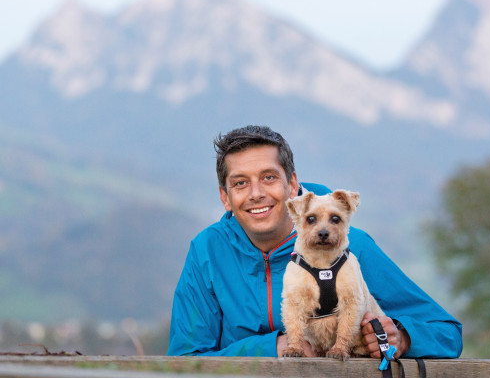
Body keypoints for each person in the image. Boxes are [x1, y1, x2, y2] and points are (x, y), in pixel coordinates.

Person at [167, 125, 462, 358]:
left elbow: (447, 334)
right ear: (225, 197)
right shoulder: (206, 252)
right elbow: (184, 357)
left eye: (268, 177)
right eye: (240, 183)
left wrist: (403, 337)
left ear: (292, 184)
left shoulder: (350, 247)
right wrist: (273, 348)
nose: (256, 193)